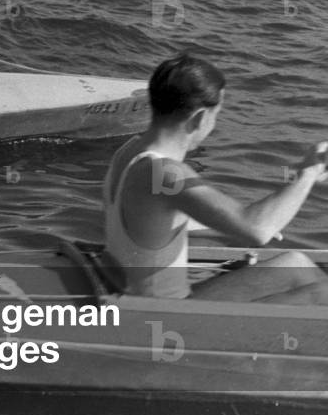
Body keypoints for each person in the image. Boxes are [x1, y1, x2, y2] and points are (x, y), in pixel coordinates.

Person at [103, 52, 328, 304]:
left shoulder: (130, 152)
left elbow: (146, 219)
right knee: (323, 294)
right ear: (200, 118)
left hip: (142, 295)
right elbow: (257, 230)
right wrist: (309, 173)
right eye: (216, 114)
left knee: (296, 264)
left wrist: (222, 227)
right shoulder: (164, 172)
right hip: (164, 315)